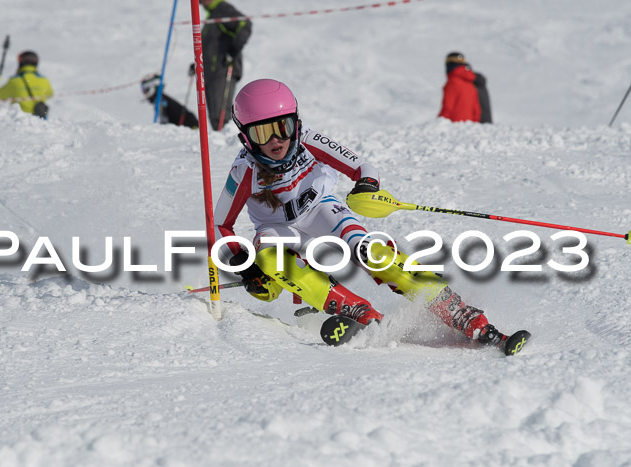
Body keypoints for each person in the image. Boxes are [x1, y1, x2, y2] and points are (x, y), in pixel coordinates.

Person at [213, 78, 525, 353]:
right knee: (269, 261)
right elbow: (221, 225)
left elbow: (362, 166)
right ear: (246, 137)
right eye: (263, 132)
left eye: (284, 127)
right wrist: (245, 265)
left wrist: (366, 185)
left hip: (321, 210)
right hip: (280, 230)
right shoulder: (244, 171)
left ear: (296, 122)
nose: (276, 140)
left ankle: (458, 311)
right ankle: (359, 313)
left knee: (369, 250)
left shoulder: (308, 140)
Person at [200, 0, 252, 130]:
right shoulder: (212, 15)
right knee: (214, 116)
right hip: (211, 72)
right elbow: (210, 47)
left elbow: (245, 24)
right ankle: (220, 145)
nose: (200, 2)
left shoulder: (222, 9)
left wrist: (232, 50)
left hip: (222, 70)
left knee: (221, 116)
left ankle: (230, 145)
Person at [438, 52, 492, 123]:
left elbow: (447, 107)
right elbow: (476, 110)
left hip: (453, 126)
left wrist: (439, 123)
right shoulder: (471, 84)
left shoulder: (452, 82)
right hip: (468, 126)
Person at [0, 50, 53, 119]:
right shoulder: (44, 80)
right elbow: (50, 94)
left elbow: (0, 95)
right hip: (39, 120)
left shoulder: (14, 80)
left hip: (18, 120)